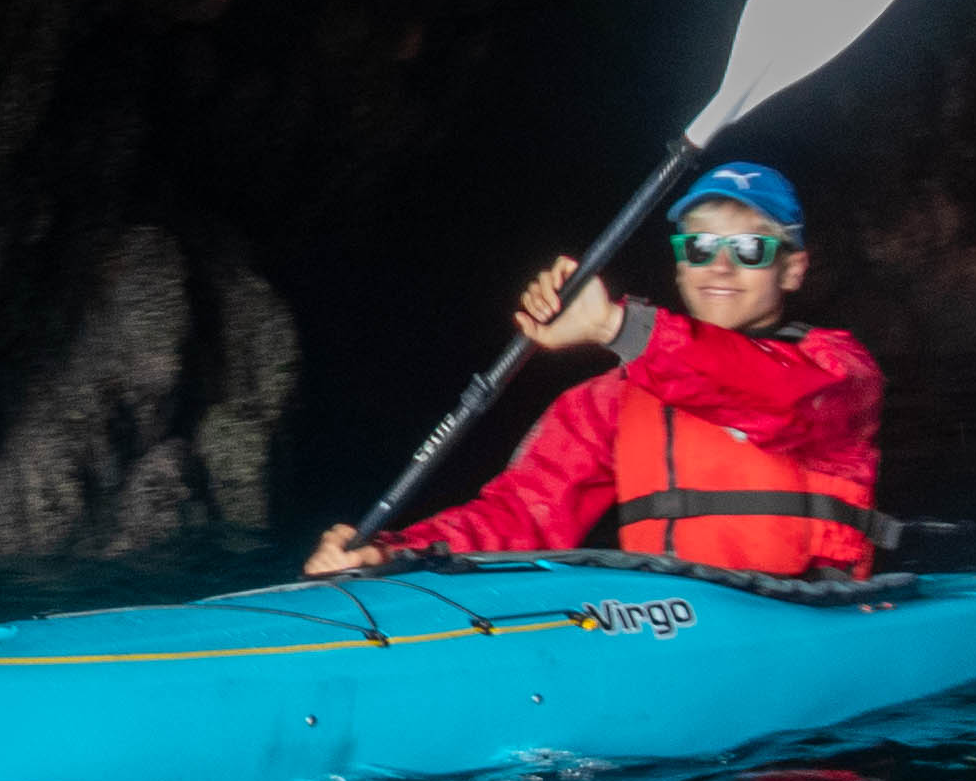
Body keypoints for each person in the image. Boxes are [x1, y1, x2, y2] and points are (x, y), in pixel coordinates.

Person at [306, 160, 887, 581]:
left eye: (751, 249)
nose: (721, 267)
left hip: (807, 614)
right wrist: (394, 550)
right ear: (680, 262)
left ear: (792, 270)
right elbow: (522, 515)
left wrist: (616, 327)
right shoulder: (612, 400)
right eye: (700, 246)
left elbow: (769, 396)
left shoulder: (840, 372)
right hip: (667, 625)